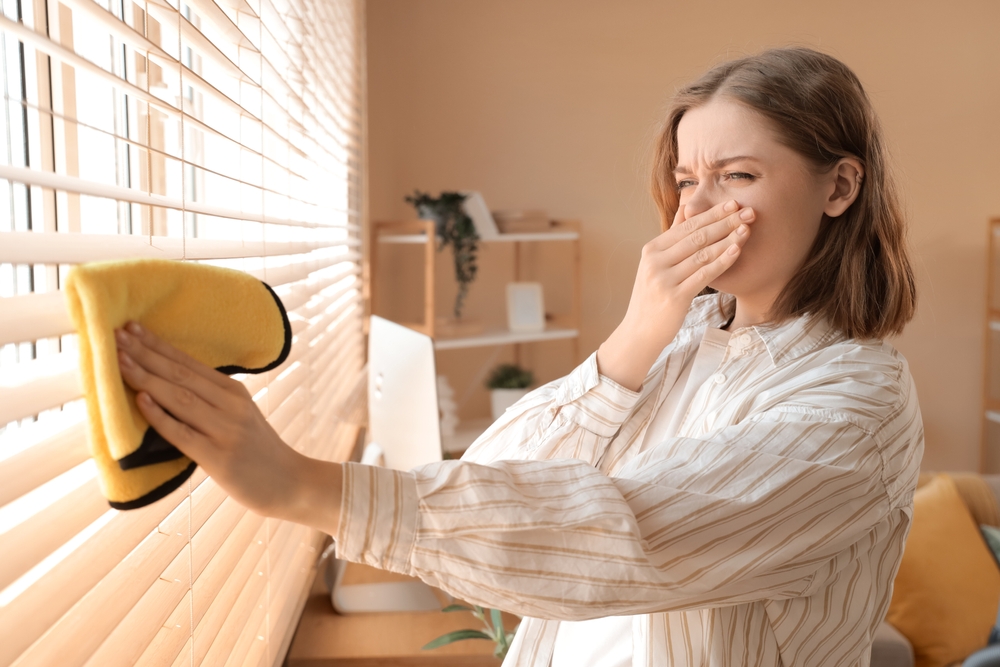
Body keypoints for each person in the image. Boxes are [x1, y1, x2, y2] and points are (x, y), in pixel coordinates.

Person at [113, 46, 923, 667]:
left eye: (737, 175)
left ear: (838, 188)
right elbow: (502, 468)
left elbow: (624, 536)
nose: (696, 209)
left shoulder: (856, 408)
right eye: (686, 180)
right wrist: (635, 335)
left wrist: (305, 486)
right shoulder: (683, 339)